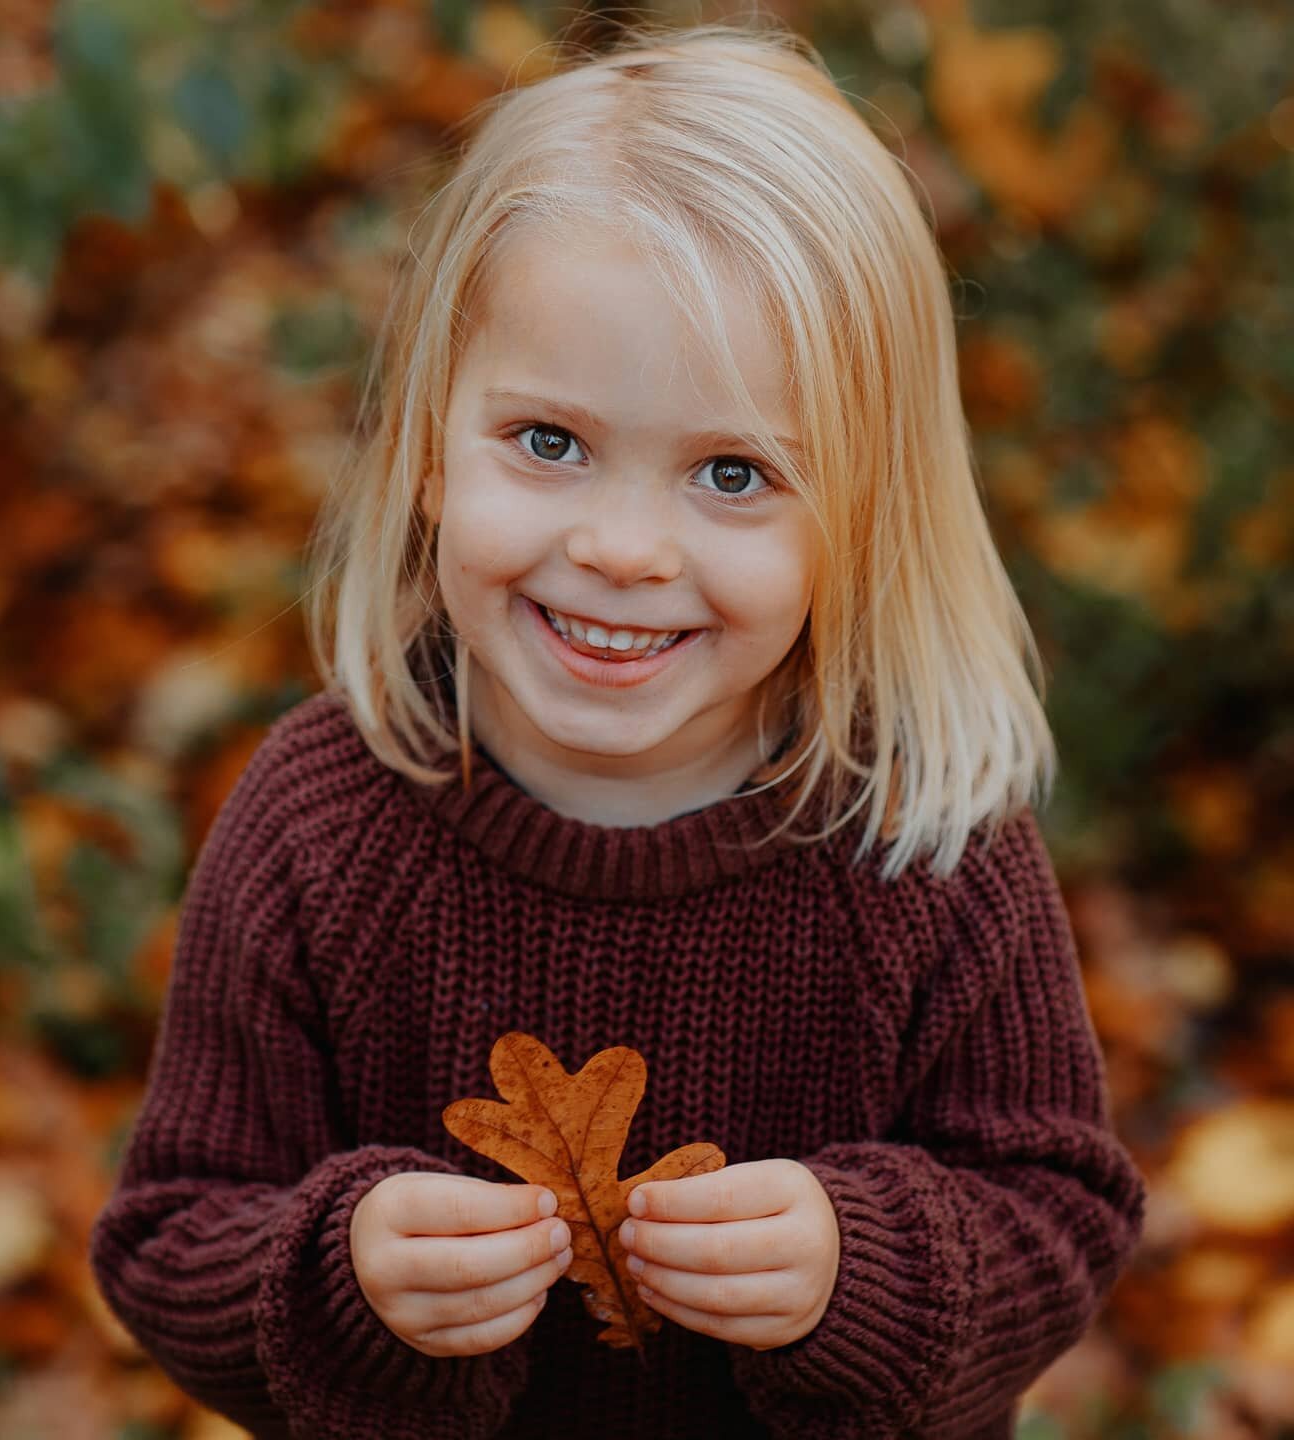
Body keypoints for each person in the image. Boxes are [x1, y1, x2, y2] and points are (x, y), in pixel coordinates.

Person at [87, 19, 1147, 1440]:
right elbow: (170, 1231)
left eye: (731, 472)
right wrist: (342, 1275)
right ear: (422, 451)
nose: (626, 547)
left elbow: (1060, 1210)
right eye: (549, 442)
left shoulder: (919, 845)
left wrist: (863, 1266)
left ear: (864, 522)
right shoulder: (321, 828)